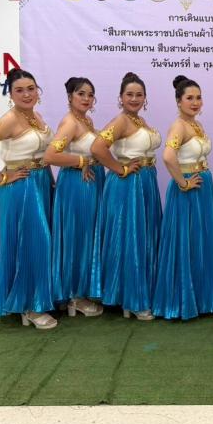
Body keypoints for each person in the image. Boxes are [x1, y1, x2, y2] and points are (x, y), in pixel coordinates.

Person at [0, 68, 57, 330]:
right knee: (33, 242)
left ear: (38, 91)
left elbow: (44, 153)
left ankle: (38, 296)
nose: (27, 94)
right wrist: (1, 178)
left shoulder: (36, 117)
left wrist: (50, 179)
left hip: (41, 182)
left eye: (31, 89)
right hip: (21, 185)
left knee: (43, 240)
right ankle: (29, 305)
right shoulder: (9, 119)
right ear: (10, 94)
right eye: (19, 90)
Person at [152, 75, 213, 320]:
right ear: (178, 101)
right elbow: (168, 156)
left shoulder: (196, 125)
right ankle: (183, 300)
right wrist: (183, 183)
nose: (195, 102)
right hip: (188, 190)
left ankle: (204, 297)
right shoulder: (179, 126)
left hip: (202, 187)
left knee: (200, 239)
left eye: (198, 97)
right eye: (189, 98)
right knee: (186, 240)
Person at [91, 72, 162, 321]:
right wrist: (120, 169)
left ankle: (140, 292)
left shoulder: (140, 120)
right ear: (120, 98)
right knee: (130, 238)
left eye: (139, 95)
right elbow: (97, 148)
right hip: (127, 185)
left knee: (143, 236)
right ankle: (132, 300)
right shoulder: (120, 121)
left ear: (145, 98)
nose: (134, 99)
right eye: (129, 94)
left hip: (145, 182)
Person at [42, 77, 104, 318]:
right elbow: (50, 156)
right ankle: (75, 296)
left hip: (90, 183)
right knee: (78, 237)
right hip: (78, 185)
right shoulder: (70, 123)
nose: (86, 99)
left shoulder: (85, 120)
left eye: (90, 94)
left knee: (86, 236)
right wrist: (82, 161)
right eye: (81, 94)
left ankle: (77, 291)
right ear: (70, 96)